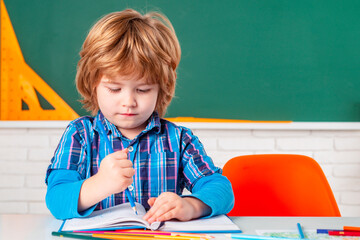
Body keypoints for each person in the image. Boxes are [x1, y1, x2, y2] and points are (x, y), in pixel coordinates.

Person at [45, 8, 234, 223]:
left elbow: (221, 189)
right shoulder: (80, 135)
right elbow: (56, 200)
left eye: (143, 90)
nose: (129, 102)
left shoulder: (178, 139)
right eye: (114, 89)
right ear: (93, 84)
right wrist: (101, 183)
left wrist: (190, 205)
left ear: (161, 89)